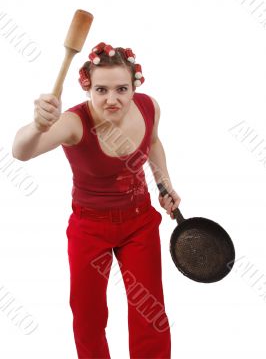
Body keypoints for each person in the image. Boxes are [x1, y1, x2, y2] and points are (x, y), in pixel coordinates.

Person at [12, 42, 181, 359]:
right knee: (87, 315)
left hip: (139, 222)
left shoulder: (149, 107)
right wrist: (37, 125)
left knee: (150, 314)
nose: (112, 99)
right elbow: (21, 152)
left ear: (135, 86)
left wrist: (163, 184)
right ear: (87, 86)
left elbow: (154, 143)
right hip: (90, 227)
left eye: (122, 89)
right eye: (101, 89)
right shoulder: (74, 123)